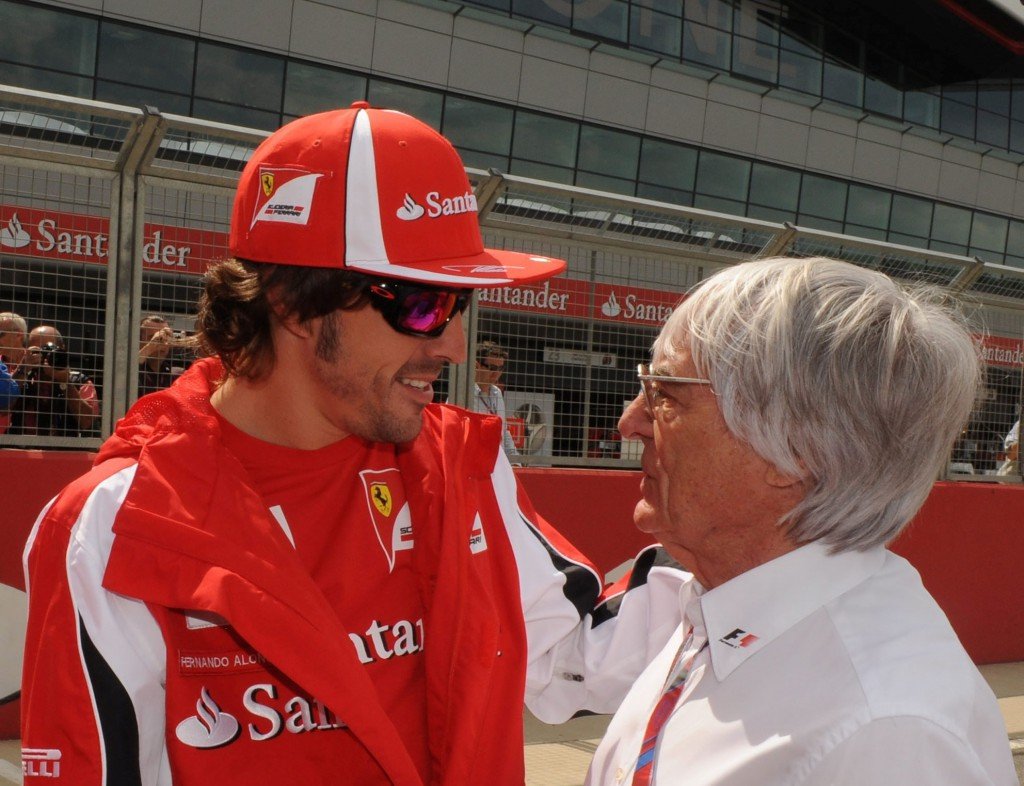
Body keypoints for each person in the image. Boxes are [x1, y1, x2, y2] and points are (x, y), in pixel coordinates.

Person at [21, 103, 685, 785]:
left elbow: (576, 654)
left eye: (457, 305)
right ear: (294, 304)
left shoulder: (459, 468)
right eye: (424, 305)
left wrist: (756, 544)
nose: (453, 344)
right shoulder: (115, 529)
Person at [586, 257, 1017, 786]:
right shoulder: (725, 604)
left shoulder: (886, 731)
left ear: (794, 449)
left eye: (665, 395)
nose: (630, 421)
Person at [8, 324, 99, 437]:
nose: (44, 356)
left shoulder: (79, 381)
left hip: (65, 450)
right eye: (38, 351)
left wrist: (65, 383)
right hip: (22, 449)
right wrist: (23, 369)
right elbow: (3, 405)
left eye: (49, 350)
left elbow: (88, 422)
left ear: (62, 349)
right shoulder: (21, 377)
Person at [471, 339, 520, 460]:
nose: (497, 373)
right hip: (475, 465)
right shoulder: (463, 395)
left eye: (500, 368)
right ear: (477, 365)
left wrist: (515, 462)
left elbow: (504, 432)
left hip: (497, 466)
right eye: (492, 368)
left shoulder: (497, 393)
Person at [137, 314, 177, 396]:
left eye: (165, 337)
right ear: (139, 341)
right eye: (153, 338)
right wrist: (149, 348)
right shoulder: (133, 371)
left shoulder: (176, 375)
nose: (161, 343)